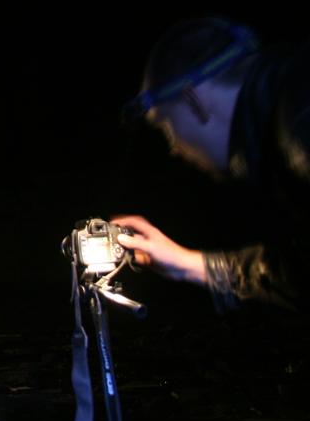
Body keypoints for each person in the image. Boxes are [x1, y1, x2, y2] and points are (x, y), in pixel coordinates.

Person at [116, 17, 309, 313]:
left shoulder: (299, 125)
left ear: (194, 100)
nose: (175, 149)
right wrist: (187, 264)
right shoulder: (285, 111)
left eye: (166, 128)